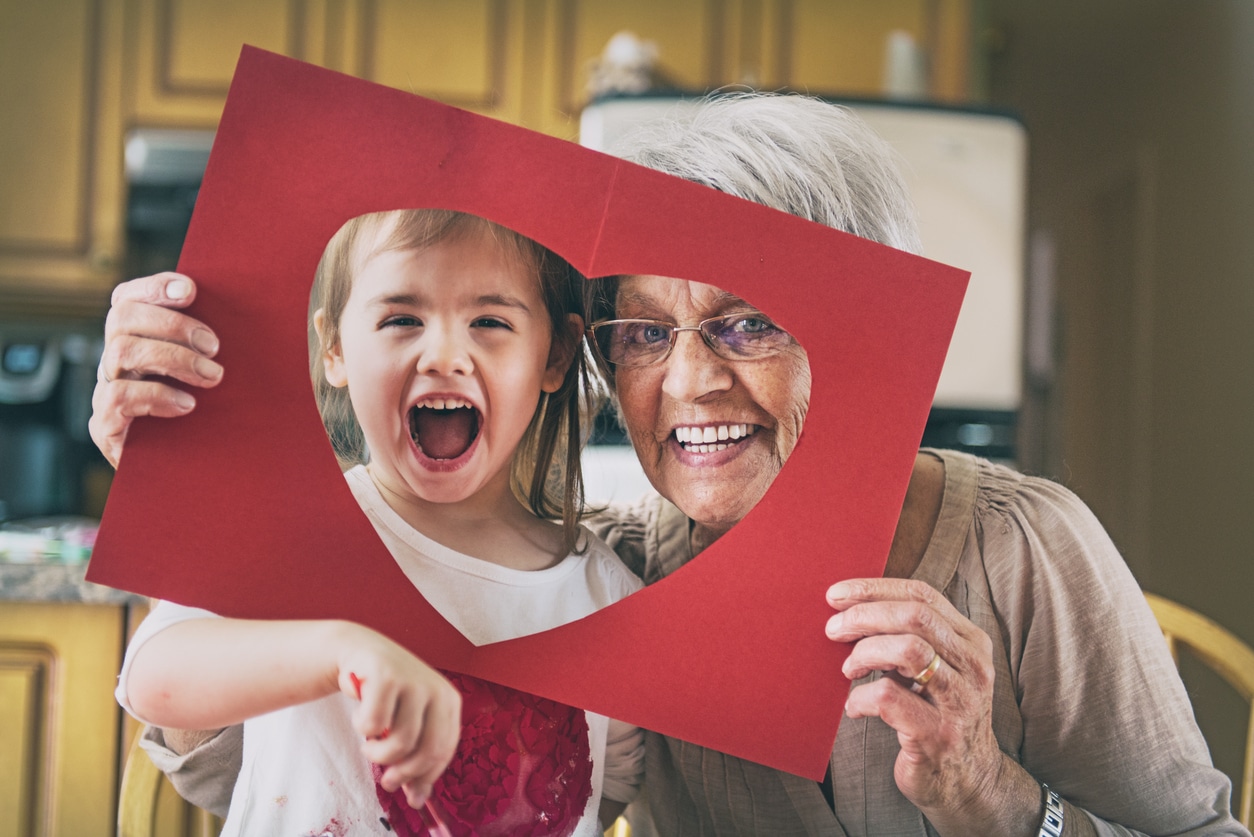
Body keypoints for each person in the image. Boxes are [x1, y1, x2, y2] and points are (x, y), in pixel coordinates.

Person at [92, 95, 1248, 836]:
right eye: (643, 332)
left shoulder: (1026, 547)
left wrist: (997, 799)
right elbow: (257, 770)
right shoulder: (617, 572)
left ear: (867, 340)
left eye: (749, 321)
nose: (687, 381)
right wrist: (188, 473)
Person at [112, 209, 644, 836]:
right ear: (334, 348)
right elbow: (153, 679)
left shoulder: (610, 601)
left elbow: (605, 791)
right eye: (401, 320)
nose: (444, 355)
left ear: (554, 354)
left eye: (490, 322)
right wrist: (339, 651)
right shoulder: (287, 535)